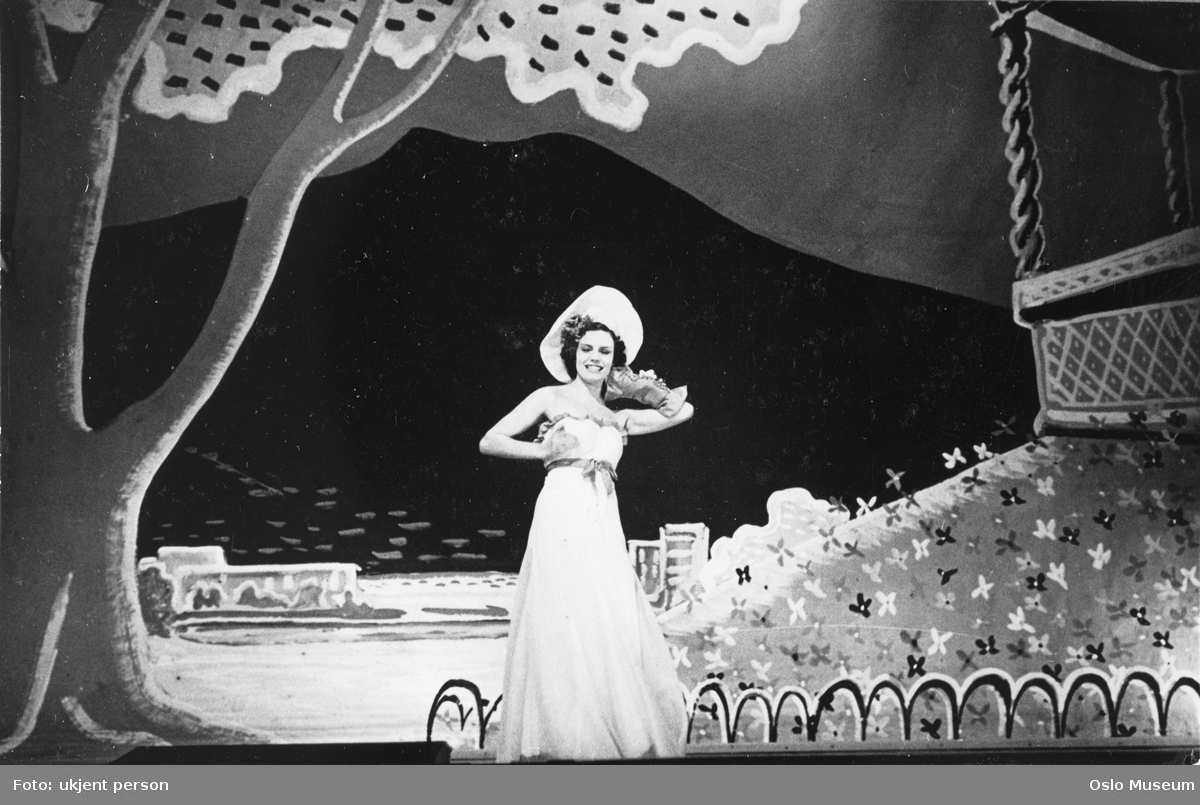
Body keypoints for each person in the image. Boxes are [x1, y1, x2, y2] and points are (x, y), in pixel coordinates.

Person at [480, 286, 693, 762]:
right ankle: (567, 740)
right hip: (561, 510)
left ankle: (607, 740)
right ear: (573, 352)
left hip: (602, 519)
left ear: (615, 360)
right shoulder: (549, 397)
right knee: (565, 612)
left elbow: (684, 411)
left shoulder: (619, 416)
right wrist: (542, 449)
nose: (595, 358)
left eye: (605, 352)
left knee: (609, 615)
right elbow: (490, 440)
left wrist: (639, 388)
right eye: (588, 349)